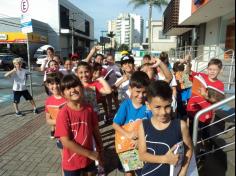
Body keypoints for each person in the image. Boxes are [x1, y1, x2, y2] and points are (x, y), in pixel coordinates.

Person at [138, 80, 193, 176]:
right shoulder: (143, 126)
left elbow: (189, 149)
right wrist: (165, 159)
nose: (163, 112)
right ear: (148, 105)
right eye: (157, 107)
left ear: (171, 102)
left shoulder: (181, 125)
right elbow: (142, 155)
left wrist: (183, 171)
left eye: (167, 106)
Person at [55, 74, 104, 176]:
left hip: (89, 159)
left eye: (75, 86)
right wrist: (89, 154)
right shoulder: (63, 113)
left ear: (82, 87)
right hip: (72, 161)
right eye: (68, 88)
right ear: (63, 94)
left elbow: (95, 130)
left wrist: (100, 147)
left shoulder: (89, 108)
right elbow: (66, 141)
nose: (73, 90)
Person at [113, 71, 152, 176]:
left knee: (143, 171)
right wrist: (129, 135)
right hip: (128, 147)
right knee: (129, 173)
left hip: (145, 145)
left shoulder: (149, 106)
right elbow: (115, 124)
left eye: (144, 92)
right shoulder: (126, 105)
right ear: (130, 89)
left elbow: (153, 126)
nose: (141, 96)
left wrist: (141, 139)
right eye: (138, 91)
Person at [187, 58, 225, 138]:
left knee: (204, 133)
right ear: (207, 69)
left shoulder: (220, 84)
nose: (212, 71)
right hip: (193, 109)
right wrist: (188, 62)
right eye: (210, 69)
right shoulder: (201, 76)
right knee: (191, 131)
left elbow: (217, 101)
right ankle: (192, 148)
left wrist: (205, 96)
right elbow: (188, 71)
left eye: (215, 69)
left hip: (205, 113)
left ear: (220, 71)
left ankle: (203, 148)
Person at [44, 72, 66, 139]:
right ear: (48, 85)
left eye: (57, 83)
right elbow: (48, 120)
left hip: (72, 131)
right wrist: (58, 121)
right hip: (59, 133)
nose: (55, 86)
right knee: (61, 148)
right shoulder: (48, 101)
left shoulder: (68, 97)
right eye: (52, 84)